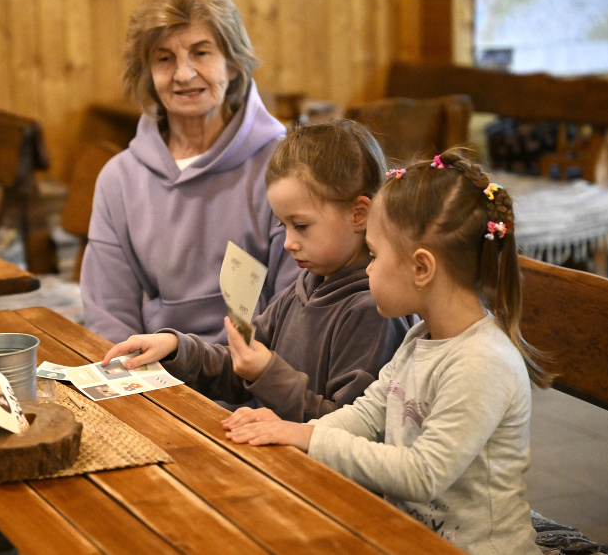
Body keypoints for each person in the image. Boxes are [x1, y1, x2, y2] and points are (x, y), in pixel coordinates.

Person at [224, 151, 554, 554]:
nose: (367, 270)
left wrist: (306, 436)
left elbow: (422, 474)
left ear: (421, 268)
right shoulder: (420, 338)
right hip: (409, 538)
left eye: (376, 256)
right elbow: (367, 413)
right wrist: (285, 431)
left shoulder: (482, 362)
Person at [101, 121, 416, 421]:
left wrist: (268, 374)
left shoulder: (374, 311)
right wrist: (176, 349)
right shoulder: (305, 286)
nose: (288, 243)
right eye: (283, 225)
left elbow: (348, 428)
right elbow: (240, 368)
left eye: (301, 226)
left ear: (358, 214)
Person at [80, 0, 299, 345]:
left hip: (256, 373)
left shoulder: (283, 167)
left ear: (232, 64)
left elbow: (296, 306)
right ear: (148, 74)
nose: (183, 74)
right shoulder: (119, 179)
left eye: (201, 53)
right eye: (165, 58)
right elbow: (108, 313)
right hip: (154, 372)